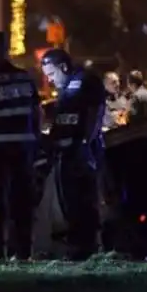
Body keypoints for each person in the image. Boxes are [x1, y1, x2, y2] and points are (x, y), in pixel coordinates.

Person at [0, 31, 40, 261]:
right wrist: (35, 141)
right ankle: (23, 251)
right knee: (22, 203)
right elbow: (36, 112)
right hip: (24, 148)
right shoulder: (25, 77)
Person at [41, 48, 106, 260]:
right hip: (65, 152)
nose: (50, 80)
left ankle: (86, 246)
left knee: (83, 200)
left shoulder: (86, 81)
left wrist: (86, 143)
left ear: (63, 67)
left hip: (80, 151)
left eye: (51, 74)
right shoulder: (66, 87)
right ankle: (76, 244)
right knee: (69, 200)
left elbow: (94, 113)